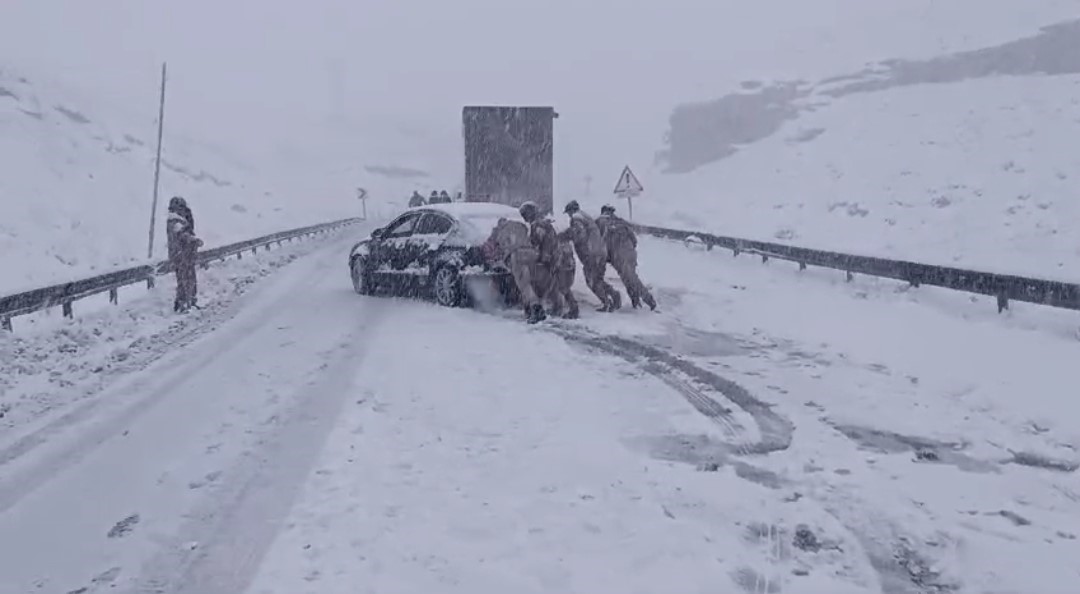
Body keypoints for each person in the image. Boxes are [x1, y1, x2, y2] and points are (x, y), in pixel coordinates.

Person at [483, 213, 546, 324]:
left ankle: (536, 309)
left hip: (517, 255)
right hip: (531, 253)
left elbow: (491, 246)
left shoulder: (498, 231)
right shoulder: (519, 226)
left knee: (524, 285)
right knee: (528, 284)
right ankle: (528, 310)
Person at [560, 200, 621, 311]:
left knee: (591, 280)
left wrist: (564, 236)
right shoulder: (585, 216)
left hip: (592, 254)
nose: (568, 215)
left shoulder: (577, 218)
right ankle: (614, 295)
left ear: (571, 210)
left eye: (568, 212)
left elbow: (579, 234)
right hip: (601, 251)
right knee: (598, 279)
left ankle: (606, 303)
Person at [597, 204, 656, 310]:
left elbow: (599, 241)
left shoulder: (600, 222)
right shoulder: (622, 222)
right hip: (629, 254)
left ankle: (649, 301)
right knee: (629, 278)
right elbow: (634, 240)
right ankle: (636, 302)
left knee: (631, 279)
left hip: (618, 257)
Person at [166, 197, 203, 313]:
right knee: (184, 279)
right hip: (181, 255)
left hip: (185, 255)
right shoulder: (174, 221)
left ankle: (190, 301)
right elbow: (181, 235)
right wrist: (193, 240)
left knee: (188, 278)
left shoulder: (180, 219)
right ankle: (182, 303)